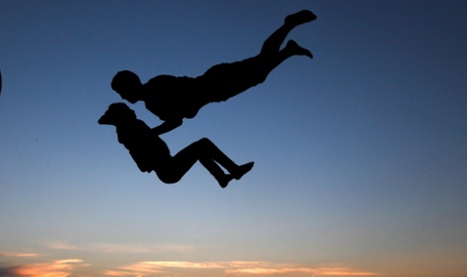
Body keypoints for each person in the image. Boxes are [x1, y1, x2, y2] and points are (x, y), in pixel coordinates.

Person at [111, 10, 317, 133]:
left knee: (260, 64)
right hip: (217, 90)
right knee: (259, 73)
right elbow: (179, 118)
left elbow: (185, 105)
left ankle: (288, 26)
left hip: (217, 81)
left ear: (131, 85)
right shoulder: (152, 104)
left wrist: (155, 131)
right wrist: (156, 130)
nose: (122, 96)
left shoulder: (156, 89)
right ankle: (289, 50)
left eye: (122, 91)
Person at [98, 103, 253, 187]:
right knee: (203, 144)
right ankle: (233, 171)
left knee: (201, 150)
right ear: (123, 115)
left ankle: (222, 177)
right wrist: (172, 123)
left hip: (168, 167)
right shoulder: (130, 128)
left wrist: (171, 123)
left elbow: (152, 134)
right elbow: (151, 134)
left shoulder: (129, 128)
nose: (132, 111)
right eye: (127, 110)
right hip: (167, 170)